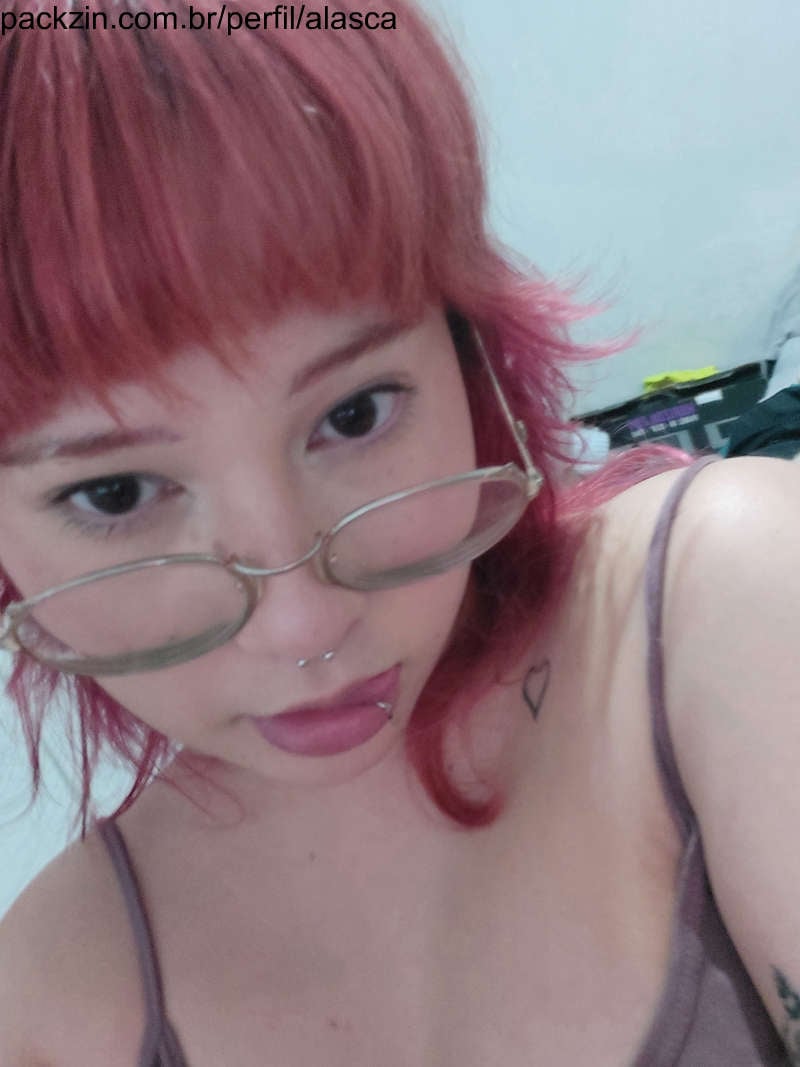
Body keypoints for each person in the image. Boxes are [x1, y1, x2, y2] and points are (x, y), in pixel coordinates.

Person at [0, 3, 798, 1065]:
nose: (302, 623)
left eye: (354, 413)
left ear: (468, 358)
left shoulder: (722, 602)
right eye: (114, 492)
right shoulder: (54, 996)